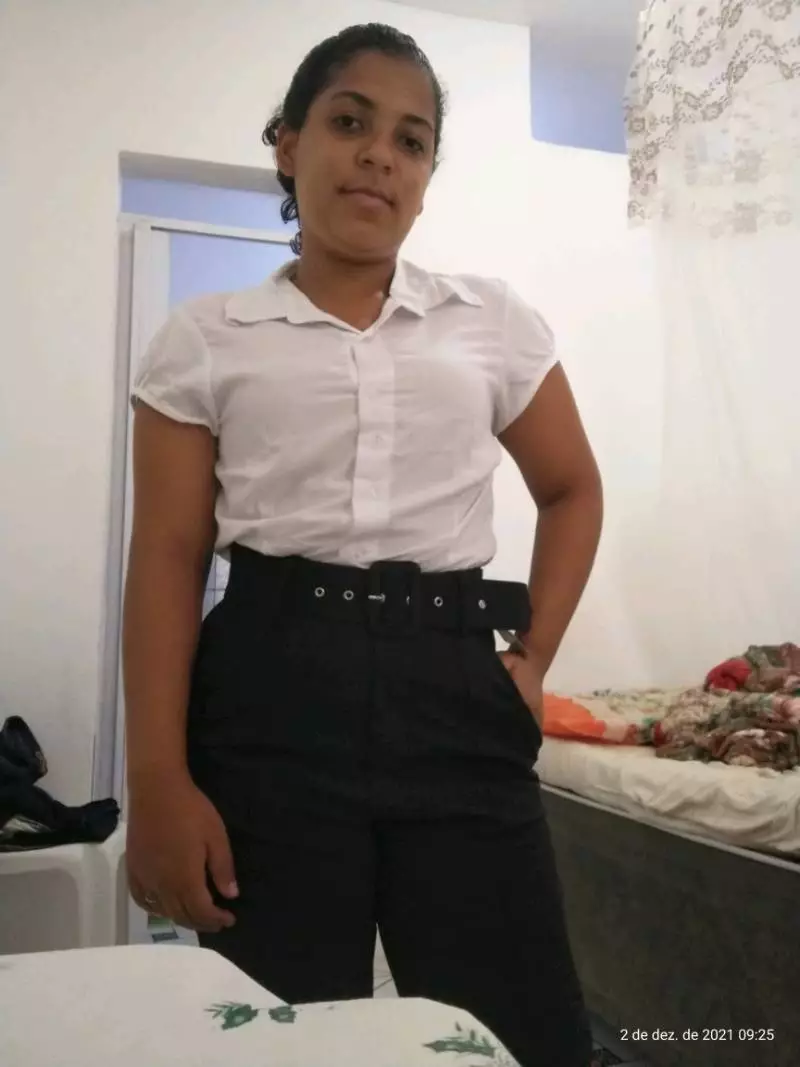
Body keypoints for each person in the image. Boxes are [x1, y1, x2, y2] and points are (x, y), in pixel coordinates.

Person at [123, 23, 602, 1067]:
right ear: (289, 144)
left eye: (411, 140)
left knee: (519, 1027)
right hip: (269, 694)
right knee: (277, 1030)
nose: (380, 155)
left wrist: (533, 662)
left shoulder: (490, 321)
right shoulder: (204, 339)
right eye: (350, 123)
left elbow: (571, 489)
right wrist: (155, 775)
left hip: (454, 691)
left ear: (425, 179)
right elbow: (165, 556)